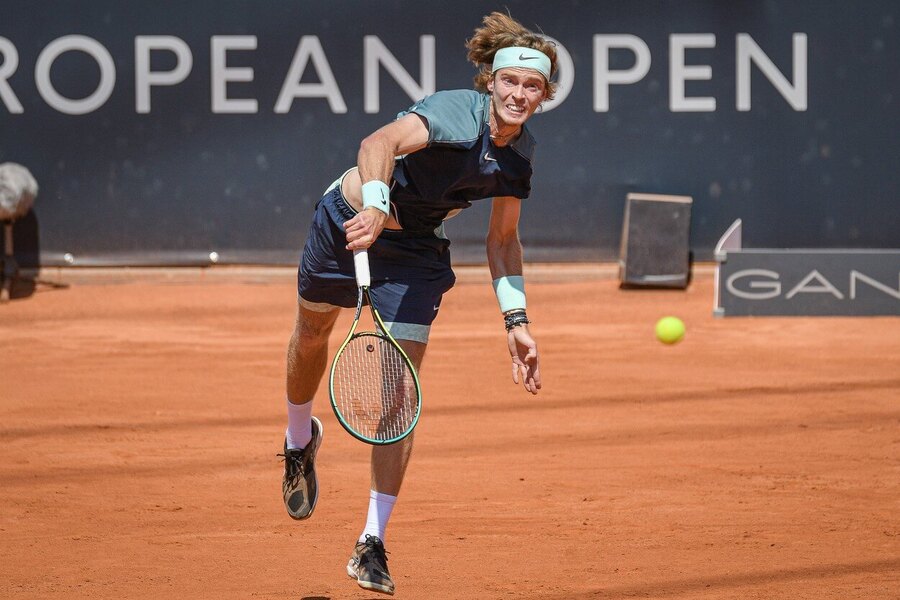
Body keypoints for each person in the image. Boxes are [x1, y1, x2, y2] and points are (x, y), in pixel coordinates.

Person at [279, 11, 557, 595]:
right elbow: (377, 143)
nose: (519, 94)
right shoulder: (455, 112)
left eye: (533, 87)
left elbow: (503, 240)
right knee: (311, 335)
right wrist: (377, 206)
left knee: (399, 394)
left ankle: (371, 543)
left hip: (414, 254)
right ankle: (298, 440)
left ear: (545, 95)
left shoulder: (519, 156)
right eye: (511, 82)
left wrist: (517, 321)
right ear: (492, 81)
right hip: (349, 221)